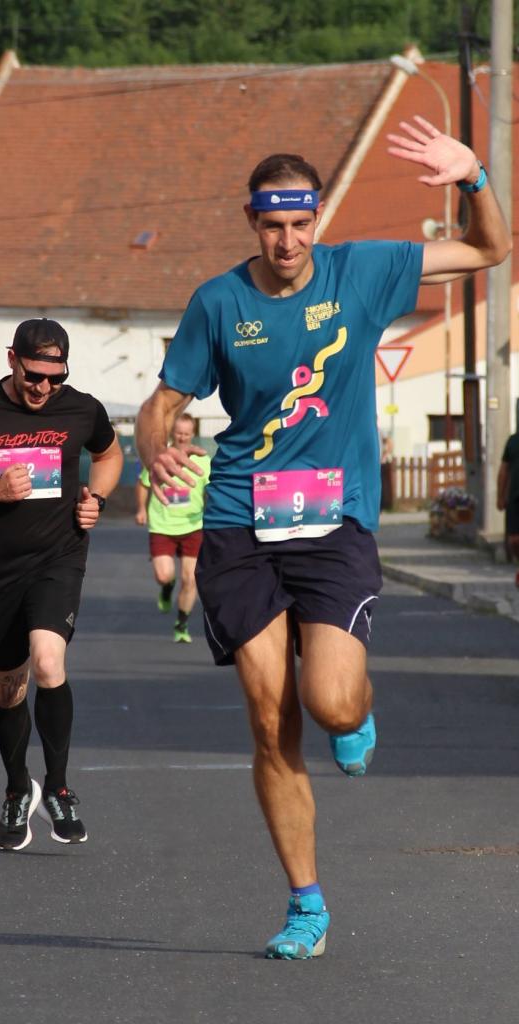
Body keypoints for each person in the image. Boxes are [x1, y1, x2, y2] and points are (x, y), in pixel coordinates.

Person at [135, 116, 510, 959]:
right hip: (239, 520)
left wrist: (473, 176)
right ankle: (306, 905)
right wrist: (153, 451)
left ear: (318, 220)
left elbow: (491, 250)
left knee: (331, 700)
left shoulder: (362, 271)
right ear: (252, 221)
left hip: (334, 523)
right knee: (271, 721)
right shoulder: (218, 302)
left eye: (302, 224)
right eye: (274, 226)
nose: (289, 241)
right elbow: (164, 403)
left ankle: (355, 713)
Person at [0, 318, 124, 851]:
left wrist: (97, 499)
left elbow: (109, 454)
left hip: (59, 558)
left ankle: (58, 786)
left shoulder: (81, 409)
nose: (43, 388)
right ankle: (18, 788)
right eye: (34, 375)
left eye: (55, 378)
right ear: (12, 359)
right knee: (8, 686)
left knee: (48, 661)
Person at [134, 412, 211, 642]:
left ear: (193, 433)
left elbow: (213, 488)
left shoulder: (203, 461)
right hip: (162, 525)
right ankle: (167, 587)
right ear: (172, 433)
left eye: (187, 433)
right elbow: (143, 484)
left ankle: (181, 624)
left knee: (191, 578)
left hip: (193, 525)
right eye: (179, 433)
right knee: (164, 575)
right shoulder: (161, 457)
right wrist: (141, 509)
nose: (183, 437)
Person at [497, 427, 519, 586]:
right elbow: (503, 470)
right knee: (513, 540)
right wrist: (500, 496)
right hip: (515, 498)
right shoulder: (513, 441)